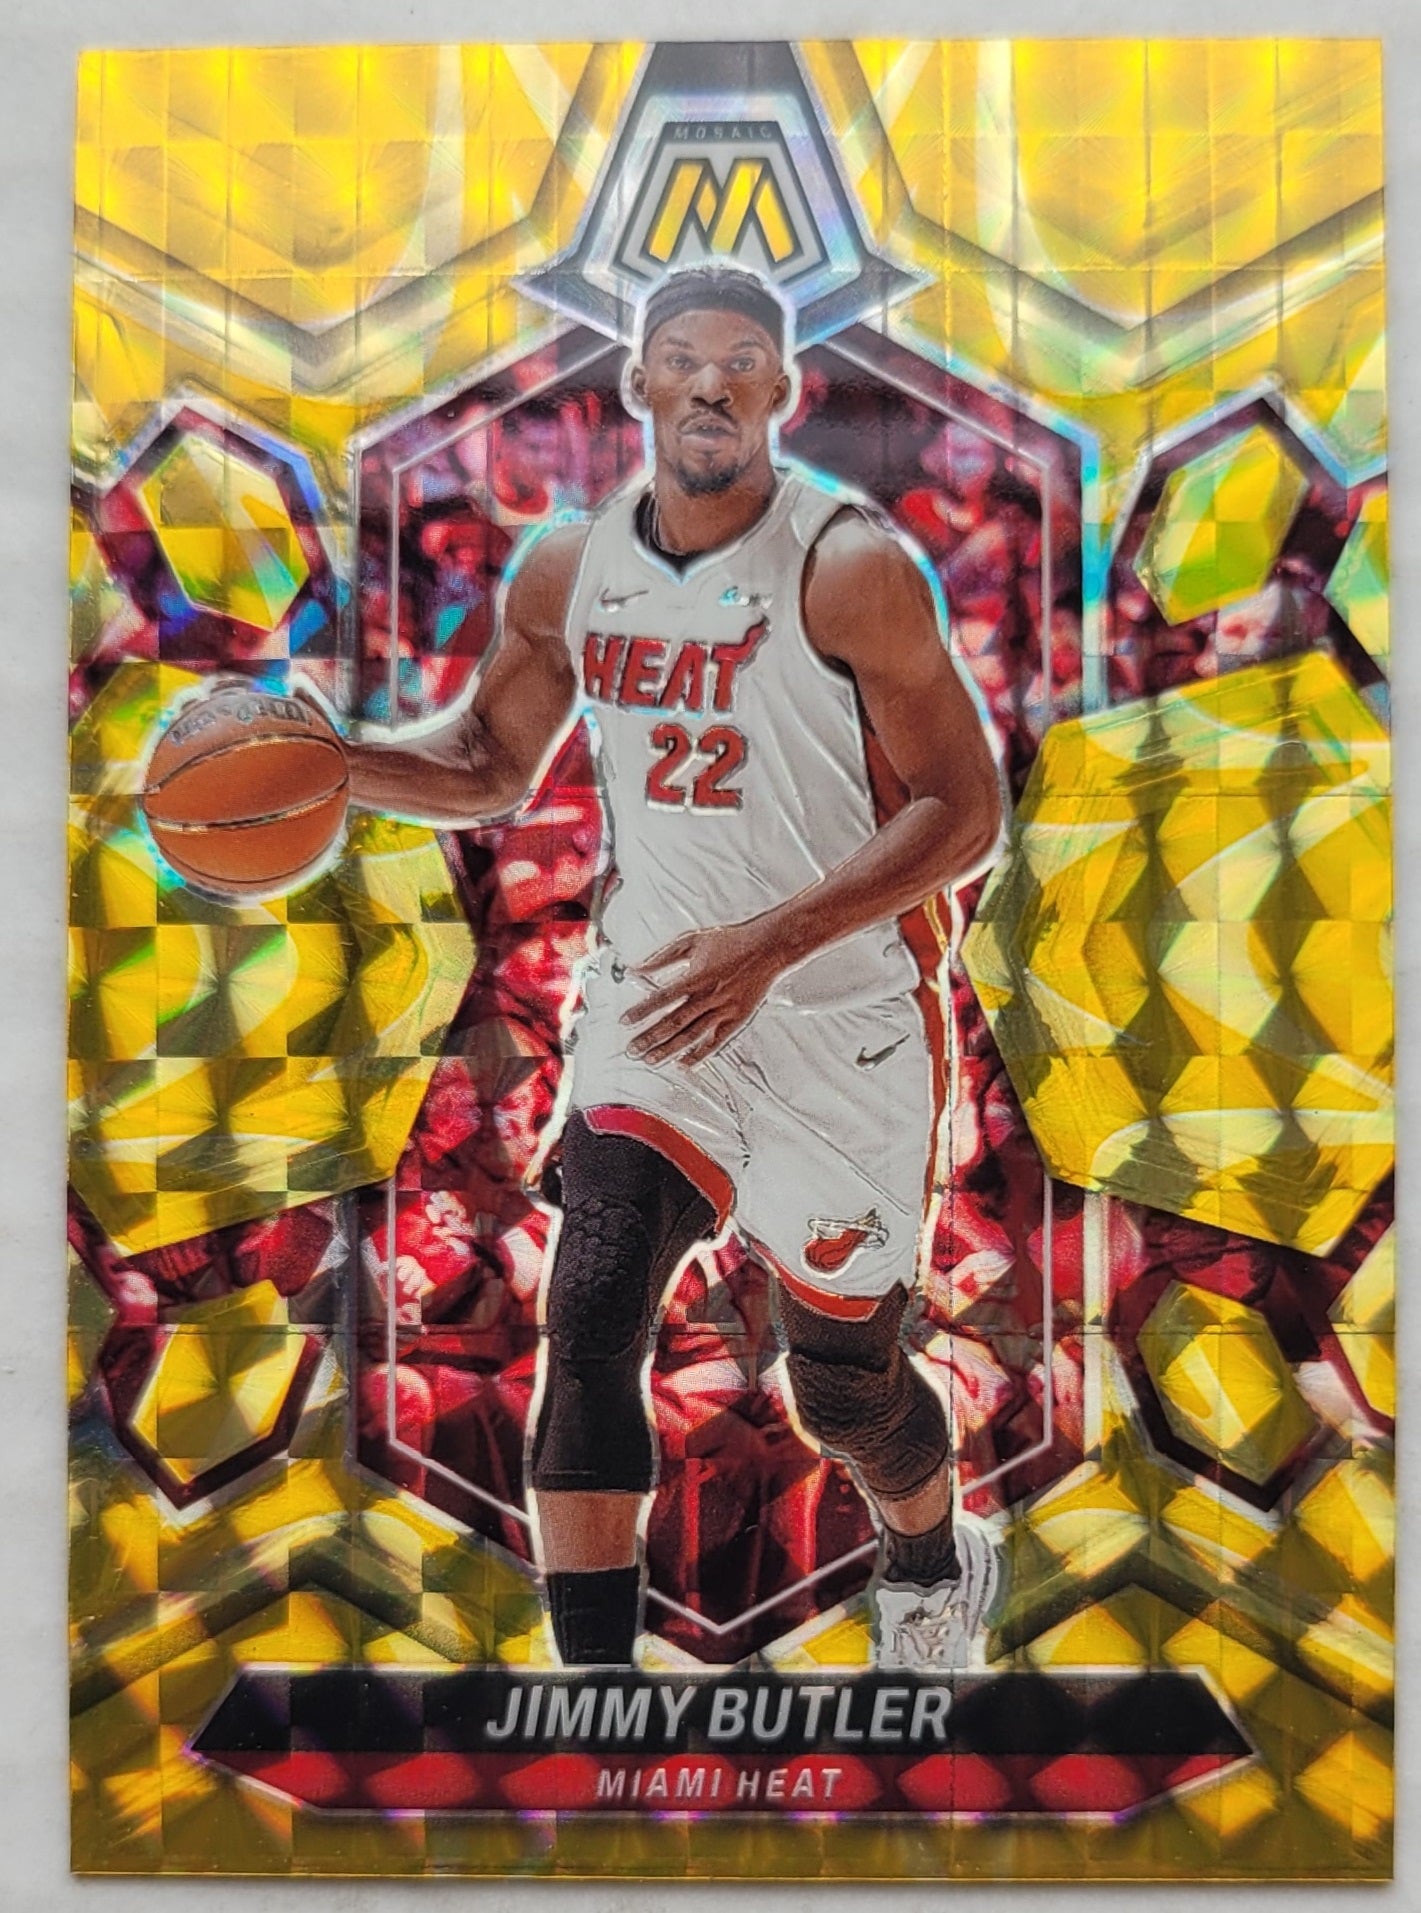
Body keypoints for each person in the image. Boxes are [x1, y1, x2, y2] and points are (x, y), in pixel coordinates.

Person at [338, 264, 1005, 1669]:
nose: (711, 380)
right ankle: (595, 1696)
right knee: (588, 1305)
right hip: (657, 1002)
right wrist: (335, 765)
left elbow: (964, 809)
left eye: (742, 360)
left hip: (839, 1020)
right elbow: (488, 761)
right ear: (638, 384)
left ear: (783, 393)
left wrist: (772, 943)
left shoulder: (849, 567)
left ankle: (933, 1561)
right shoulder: (569, 568)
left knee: (843, 1387)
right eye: (683, 357)